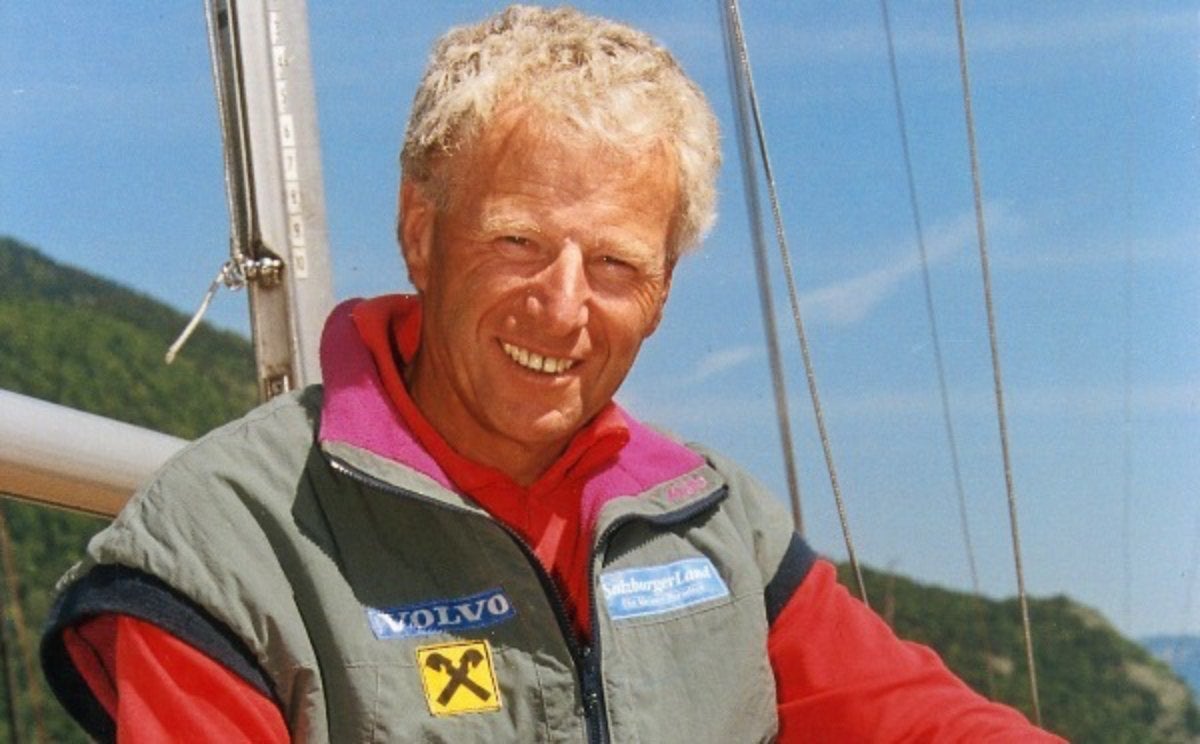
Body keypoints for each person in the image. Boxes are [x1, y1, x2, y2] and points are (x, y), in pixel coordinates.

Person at [42, 5, 1065, 742]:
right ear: (420, 233)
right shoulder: (222, 551)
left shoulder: (716, 525)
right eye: (519, 242)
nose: (564, 305)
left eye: (615, 264)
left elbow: (922, 722)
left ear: (663, 291)